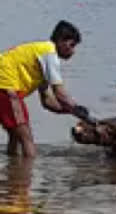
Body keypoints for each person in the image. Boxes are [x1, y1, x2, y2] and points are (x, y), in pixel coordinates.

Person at [0, 21, 89, 157]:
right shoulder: (49, 53)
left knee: (15, 133)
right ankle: (25, 174)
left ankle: (14, 170)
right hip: (6, 87)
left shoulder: (41, 56)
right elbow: (59, 92)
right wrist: (76, 107)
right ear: (60, 40)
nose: (73, 51)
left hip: (5, 87)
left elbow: (48, 101)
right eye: (71, 45)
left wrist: (73, 112)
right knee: (26, 138)